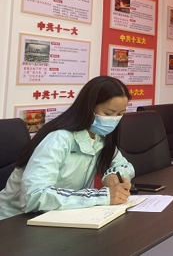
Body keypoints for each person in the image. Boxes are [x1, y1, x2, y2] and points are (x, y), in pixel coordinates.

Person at [0, 76, 134, 220]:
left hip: (56, 215)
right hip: (15, 219)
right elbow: (34, 196)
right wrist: (102, 196)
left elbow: (125, 165)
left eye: (120, 114)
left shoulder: (99, 137)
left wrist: (113, 174)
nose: (113, 119)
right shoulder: (59, 138)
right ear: (89, 107)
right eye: (108, 113)